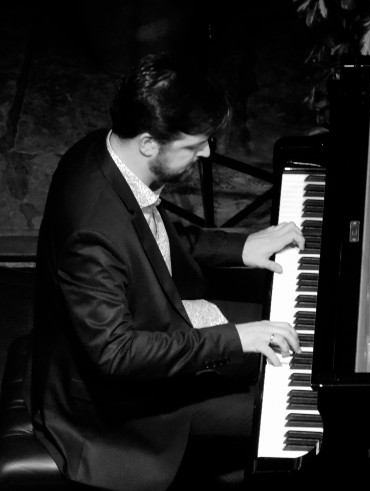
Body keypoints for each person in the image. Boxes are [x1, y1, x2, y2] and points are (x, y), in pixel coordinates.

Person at [29, 53, 304, 491]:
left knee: (284, 349)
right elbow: (116, 355)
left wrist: (241, 245)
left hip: (153, 325)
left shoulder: (103, 152)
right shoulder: (92, 232)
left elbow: (153, 244)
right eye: (194, 146)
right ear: (148, 143)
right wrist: (237, 338)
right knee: (291, 410)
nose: (208, 152)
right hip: (122, 408)